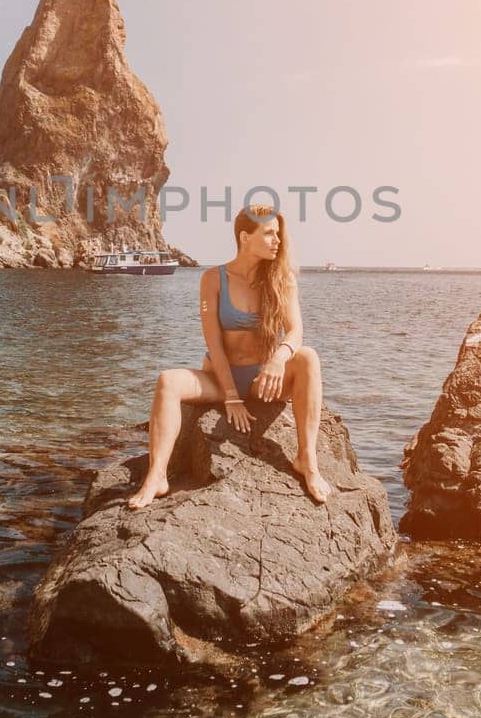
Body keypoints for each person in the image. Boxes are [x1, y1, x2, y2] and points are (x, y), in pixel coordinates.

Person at [126, 203, 332, 509]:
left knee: (308, 358)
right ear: (245, 237)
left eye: (279, 234)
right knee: (167, 381)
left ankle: (307, 460)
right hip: (220, 379)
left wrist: (278, 359)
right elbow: (214, 343)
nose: (278, 240)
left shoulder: (283, 279)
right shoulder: (212, 279)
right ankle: (157, 477)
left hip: (265, 380)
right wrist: (231, 396)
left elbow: (296, 331)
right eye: (270, 233)